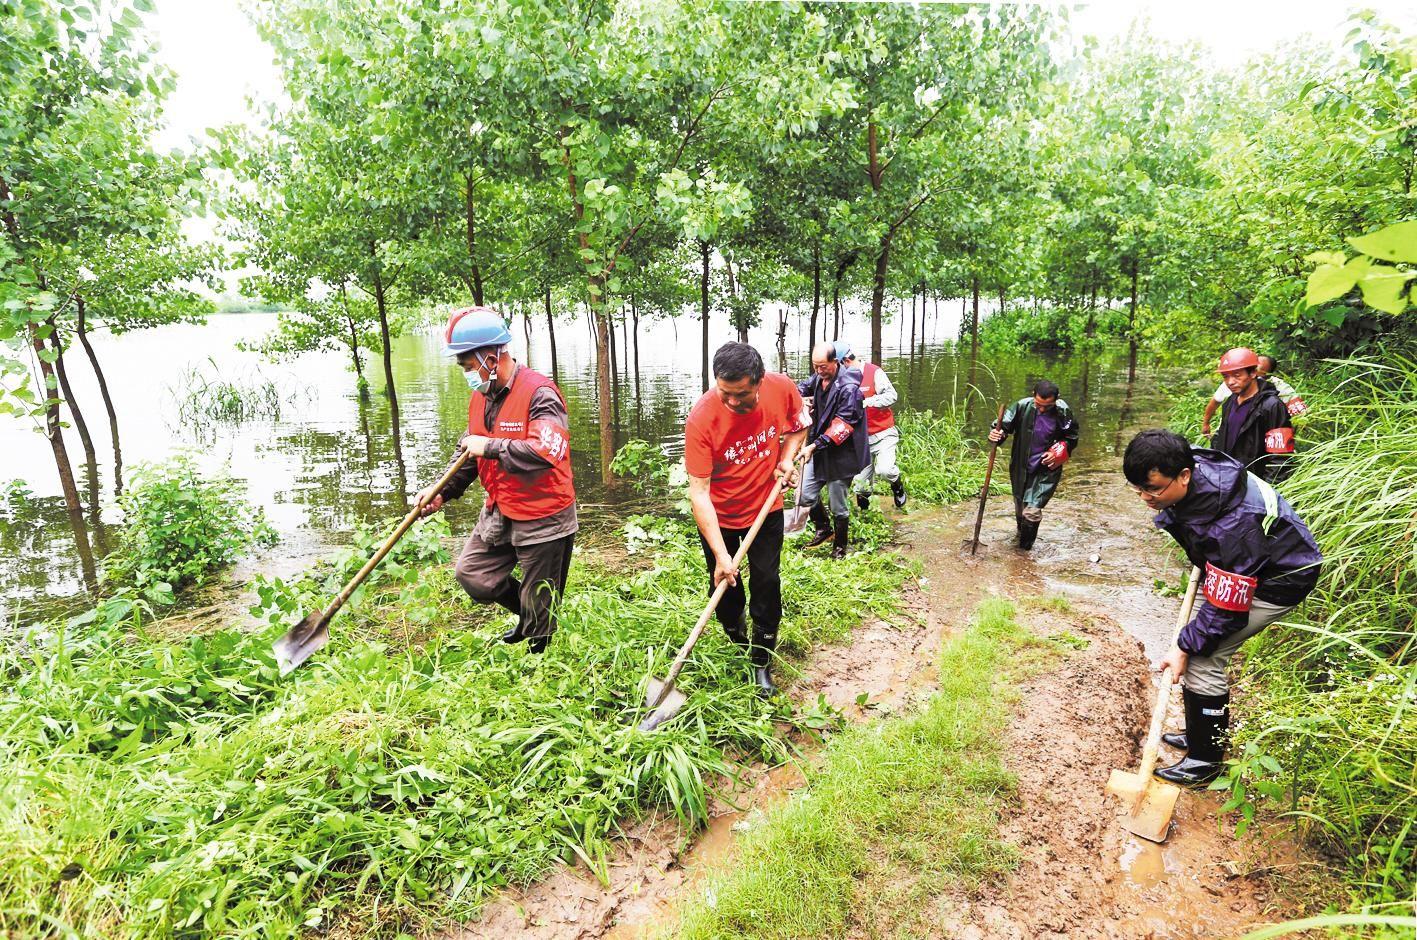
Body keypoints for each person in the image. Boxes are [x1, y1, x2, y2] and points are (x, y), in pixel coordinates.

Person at [1122, 430, 1321, 786]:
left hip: (1277, 579)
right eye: (1138, 489)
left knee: (1203, 656)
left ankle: (1204, 761)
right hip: (1236, 564)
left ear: (1184, 476)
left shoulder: (1234, 525)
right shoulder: (1192, 464)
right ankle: (1202, 732)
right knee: (1195, 642)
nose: (1144, 498)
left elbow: (1227, 608)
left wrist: (1185, 646)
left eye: (1152, 490)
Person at [419, 306, 577, 654]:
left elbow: (547, 451)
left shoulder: (540, 394)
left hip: (543, 514)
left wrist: (490, 446)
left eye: (468, 366)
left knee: (541, 601)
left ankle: (541, 656)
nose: (467, 374)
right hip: (501, 508)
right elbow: (468, 454)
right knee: (473, 575)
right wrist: (441, 493)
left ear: (490, 357)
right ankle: (531, 614)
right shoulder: (482, 397)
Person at [684, 342, 809, 697]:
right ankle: (736, 633)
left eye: (742, 394)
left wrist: (787, 459)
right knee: (725, 591)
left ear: (759, 381)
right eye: (725, 393)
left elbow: (798, 427)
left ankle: (761, 659)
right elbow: (699, 492)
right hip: (719, 517)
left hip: (765, 508)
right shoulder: (702, 418)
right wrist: (722, 555)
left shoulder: (780, 387)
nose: (733, 403)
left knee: (767, 582)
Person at [796, 341, 869, 559]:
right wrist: (799, 399)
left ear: (835, 362)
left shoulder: (849, 388)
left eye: (823, 366)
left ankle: (839, 547)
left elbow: (843, 425)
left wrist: (813, 446)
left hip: (841, 453)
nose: (819, 371)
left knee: (838, 504)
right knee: (804, 495)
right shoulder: (819, 378)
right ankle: (823, 527)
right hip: (819, 448)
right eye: (815, 366)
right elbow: (802, 387)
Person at [987, 379, 1079, 550]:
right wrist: (996, 434)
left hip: (1046, 469)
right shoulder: (1022, 406)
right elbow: (1003, 427)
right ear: (1033, 396)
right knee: (1020, 510)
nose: (1042, 409)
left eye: (1048, 406)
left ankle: (1024, 552)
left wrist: (1058, 450)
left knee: (1032, 513)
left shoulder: (1063, 412)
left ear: (1056, 400)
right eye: (1039, 404)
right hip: (1021, 465)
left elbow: (1071, 437)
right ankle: (1020, 538)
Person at [836, 345, 907, 511]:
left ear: (846, 361)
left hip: (883, 433)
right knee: (860, 486)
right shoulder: (842, 379)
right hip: (861, 440)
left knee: (885, 470)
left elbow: (892, 396)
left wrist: (868, 402)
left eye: (839, 365)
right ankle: (865, 515)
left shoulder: (874, 372)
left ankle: (897, 487)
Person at [1209, 348, 1294, 483]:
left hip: (1255, 485)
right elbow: (1222, 439)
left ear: (1253, 373)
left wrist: (1267, 491)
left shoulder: (1272, 406)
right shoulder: (1230, 402)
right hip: (1229, 481)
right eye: (1226, 376)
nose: (1230, 382)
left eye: (1237, 375)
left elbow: (1280, 456)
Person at [1202, 353, 1306, 436]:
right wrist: (1206, 423)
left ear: (1267, 375)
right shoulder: (1233, 383)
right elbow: (1215, 402)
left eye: (1258, 372)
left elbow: (1300, 411)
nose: (1230, 382)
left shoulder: (1279, 388)